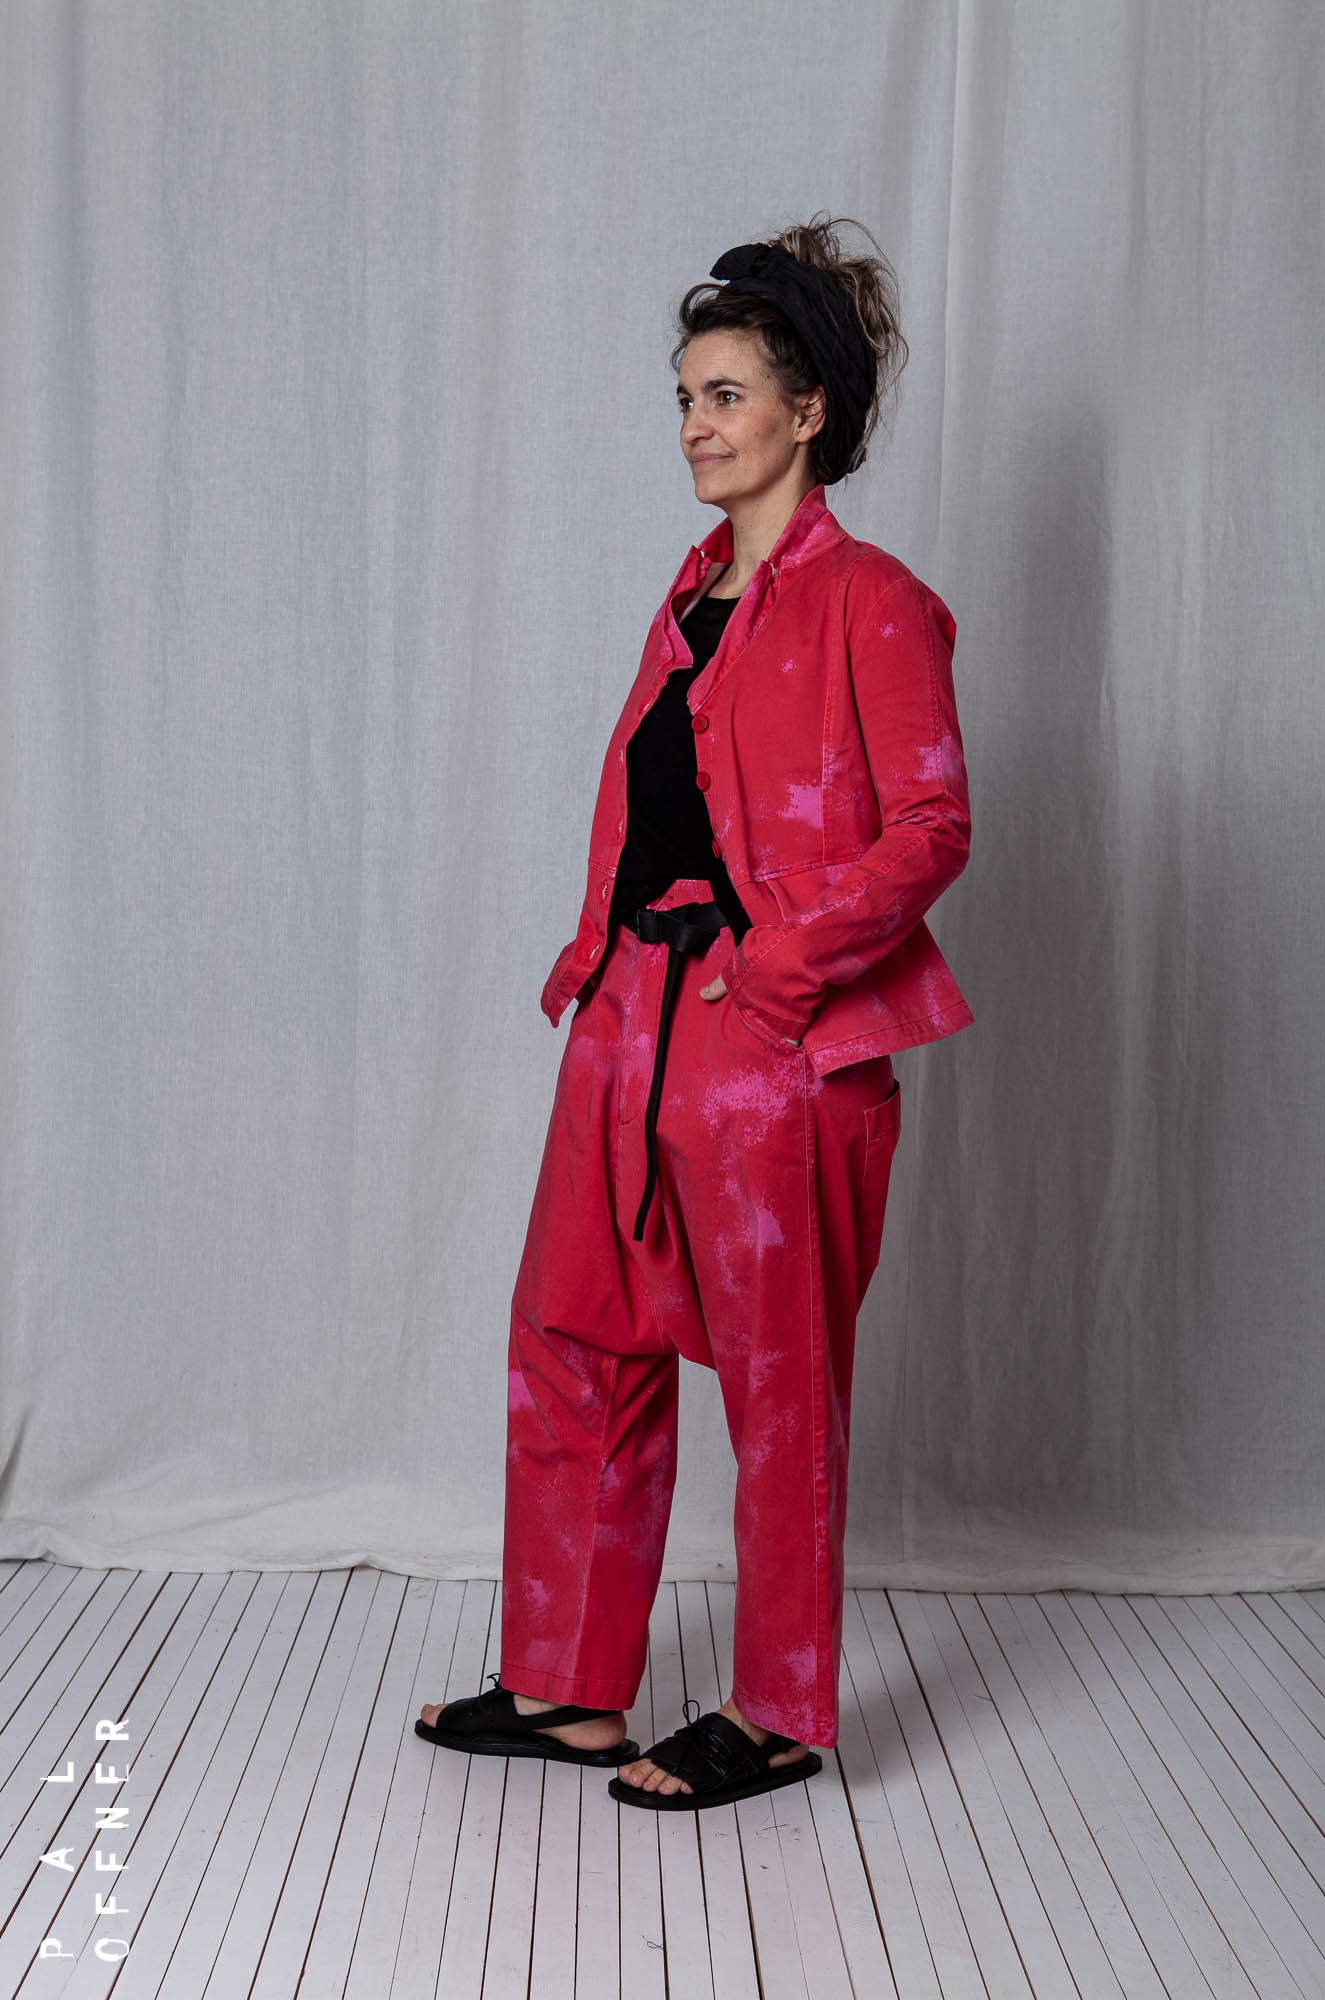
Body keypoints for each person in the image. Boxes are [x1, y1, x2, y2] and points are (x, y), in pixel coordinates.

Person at [416, 213, 974, 1812]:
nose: (694, 426)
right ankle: (568, 1686)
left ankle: (779, 1712)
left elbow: (930, 825)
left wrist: (778, 973)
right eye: (683, 398)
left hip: (768, 1034)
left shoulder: (872, 600)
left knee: (781, 1378)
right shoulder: (688, 598)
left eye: (725, 396)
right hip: (627, 1017)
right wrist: (595, 960)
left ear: (808, 412)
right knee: (572, 1336)